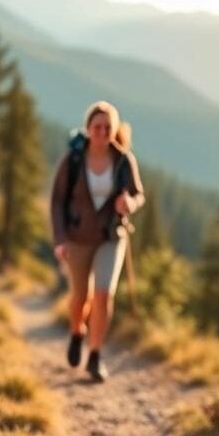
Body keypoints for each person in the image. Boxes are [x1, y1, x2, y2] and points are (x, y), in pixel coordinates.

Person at [49, 101, 145, 382]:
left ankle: (95, 355)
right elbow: (57, 201)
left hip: (111, 237)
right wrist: (60, 239)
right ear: (88, 128)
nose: (102, 132)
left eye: (107, 127)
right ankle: (77, 331)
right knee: (80, 296)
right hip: (77, 238)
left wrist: (129, 203)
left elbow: (138, 194)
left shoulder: (124, 160)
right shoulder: (73, 160)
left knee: (104, 294)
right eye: (97, 126)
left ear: (114, 130)